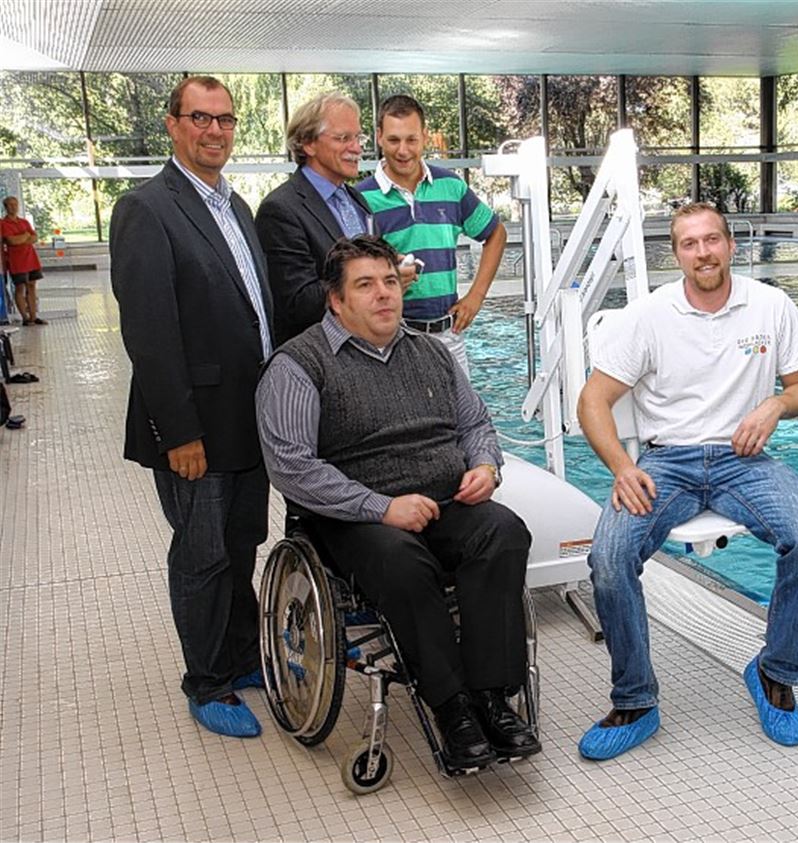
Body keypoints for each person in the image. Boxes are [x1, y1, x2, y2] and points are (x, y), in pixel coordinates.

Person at [256, 234, 540, 769]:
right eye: (365, 285)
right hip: (353, 517)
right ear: (335, 300)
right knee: (402, 562)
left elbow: (475, 422)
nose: (384, 295)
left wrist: (484, 465)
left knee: (504, 531)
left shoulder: (430, 352)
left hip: (444, 502)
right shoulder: (300, 365)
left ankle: (492, 698)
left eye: (390, 281)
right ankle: (452, 708)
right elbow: (292, 466)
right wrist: (381, 507)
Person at [576, 202, 798, 761]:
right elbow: (593, 400)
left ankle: (774, 672)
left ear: (730, 244)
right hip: (665, 461)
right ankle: (636, 699)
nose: (703, 252)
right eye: (690, 244)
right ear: (677, 254)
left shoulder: (770, 305)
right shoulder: (648, 316)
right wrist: (624, 467)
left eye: (712, 240)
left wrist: (776, 405)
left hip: (744, 460)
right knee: (608, 555)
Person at [110, 76, 274, 739]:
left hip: (247, 417)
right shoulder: (147, 208)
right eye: (200, 118)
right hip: (195, 426)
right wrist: (177, 430)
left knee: (241, 545)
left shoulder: (235, 207)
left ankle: (239, 658)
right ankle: (205, 680)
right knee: (202, 554)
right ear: (174, 124)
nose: (215, 131)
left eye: (226, 119)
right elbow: (149, 333)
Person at [356, 94, 507, 374]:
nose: (403, 150)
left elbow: (496, 233)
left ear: (425, 137)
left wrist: (476, 296)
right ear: (378, 137)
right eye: (393, 140)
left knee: (464, 418)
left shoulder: (450, 186)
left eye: (411, 139)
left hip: (449, 337)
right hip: (390, 338)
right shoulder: (361, 199)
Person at [255, 92, 379, 342]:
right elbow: (298, 303)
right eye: (343, 138)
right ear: (307, 143)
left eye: (359, 137)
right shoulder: (280, 210)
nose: (356, 148)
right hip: (321, 360)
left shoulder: (356, 200)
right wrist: (368, 283)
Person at [1, 196, 46, 326]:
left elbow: (34, 237)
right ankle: (25, 317)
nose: (13, 207)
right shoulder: (3, 224)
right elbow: (12, 241)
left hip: (31, 259)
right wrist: (25, 236)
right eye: (10, 205)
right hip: (17, 261)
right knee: (20, 287)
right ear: (6, 207)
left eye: (15, 204)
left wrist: (24, 238)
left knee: (32, 286)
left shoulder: (24, 222)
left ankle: (33, 315)